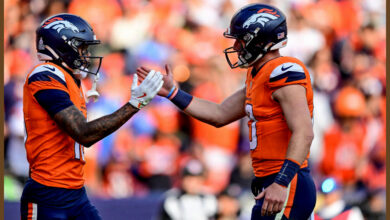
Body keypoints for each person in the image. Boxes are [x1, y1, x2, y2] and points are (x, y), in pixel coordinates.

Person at [138, 3, 316, 219]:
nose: (236, 46)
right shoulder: (258, 75)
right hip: (272, 182)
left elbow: (304, 131)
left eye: (241, 39)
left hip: (287, 182)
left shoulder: (283, 71)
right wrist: (173, 93)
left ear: (260, 40)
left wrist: (281, 182)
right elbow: (219, 114)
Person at [21, 13, 163, 219]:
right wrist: (135, 104)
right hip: (47, 194)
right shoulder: (45, 75)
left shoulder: (70, 79)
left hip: (75, 191)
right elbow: (83, 133)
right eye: (81, 48)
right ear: (61, 46)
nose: (86, 55)